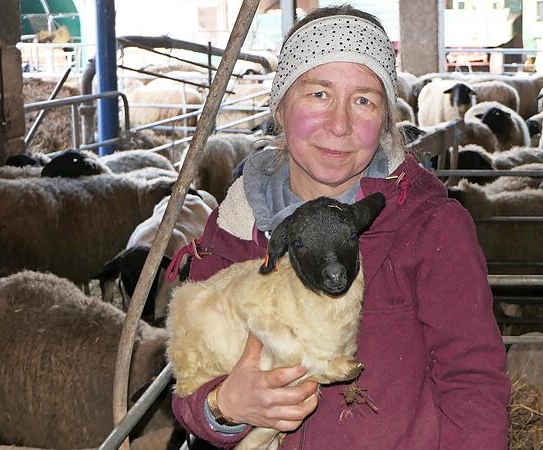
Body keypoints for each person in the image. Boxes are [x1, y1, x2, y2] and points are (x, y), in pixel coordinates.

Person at [169, 5, 510, 449]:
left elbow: (473, 383)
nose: (340, 124)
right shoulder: (235, 227)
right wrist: (224, 408)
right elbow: (190, 376)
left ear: (386, 117)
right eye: (318, 94)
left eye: (364, 100)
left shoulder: (430, 228)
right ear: (281, 105)